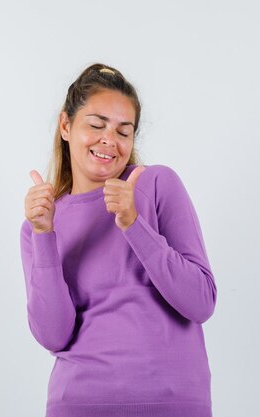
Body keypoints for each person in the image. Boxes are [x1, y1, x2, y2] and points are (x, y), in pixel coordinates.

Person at [20, 63, 217, 417]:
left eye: (123, 132)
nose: (109, 140)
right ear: (66, 126)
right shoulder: (41, 223)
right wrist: (43, 235)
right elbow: (54, 335)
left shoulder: (158, 185)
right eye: (96, 125)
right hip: (80, 405)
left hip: (173, 404)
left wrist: (133, 223)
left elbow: (201, 302)